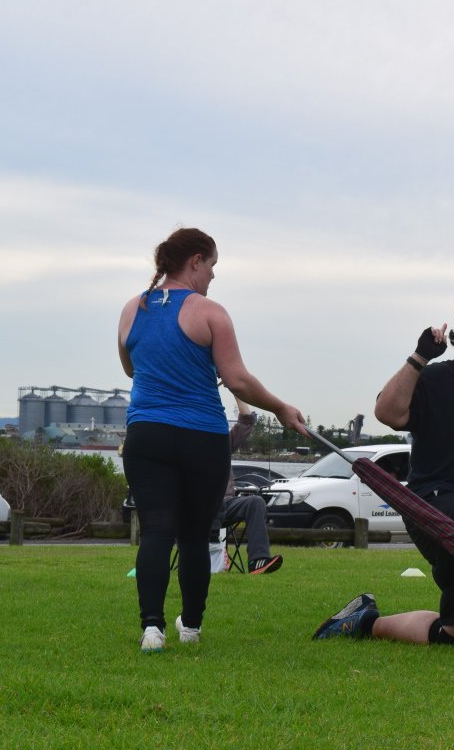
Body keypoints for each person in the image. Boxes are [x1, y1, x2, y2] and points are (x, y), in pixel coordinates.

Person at [314, 294, 454, 656]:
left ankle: (362, 621)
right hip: (434, 508)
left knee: (450, 629)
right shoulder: (436, 378)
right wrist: (419, 357)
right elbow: (387, 412)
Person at [118, 227, 307, 653]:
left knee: (155, 532)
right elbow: (236, 378)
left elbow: (132, 368)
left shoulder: (134, 308)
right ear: (196, 262)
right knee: (192, 535)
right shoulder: (211, 313)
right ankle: (192, 626)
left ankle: (152, 629)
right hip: (200, 436)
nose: (213, 277)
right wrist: (280, 407)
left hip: (146, 434)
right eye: (213, 266)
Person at [223, 397, 283, 574]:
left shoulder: (222, 443)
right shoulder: (185, 444)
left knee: (255, 502)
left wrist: (234, 390)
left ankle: (258, 561)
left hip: (224, 504)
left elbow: (246, 419)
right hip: (195, 507)